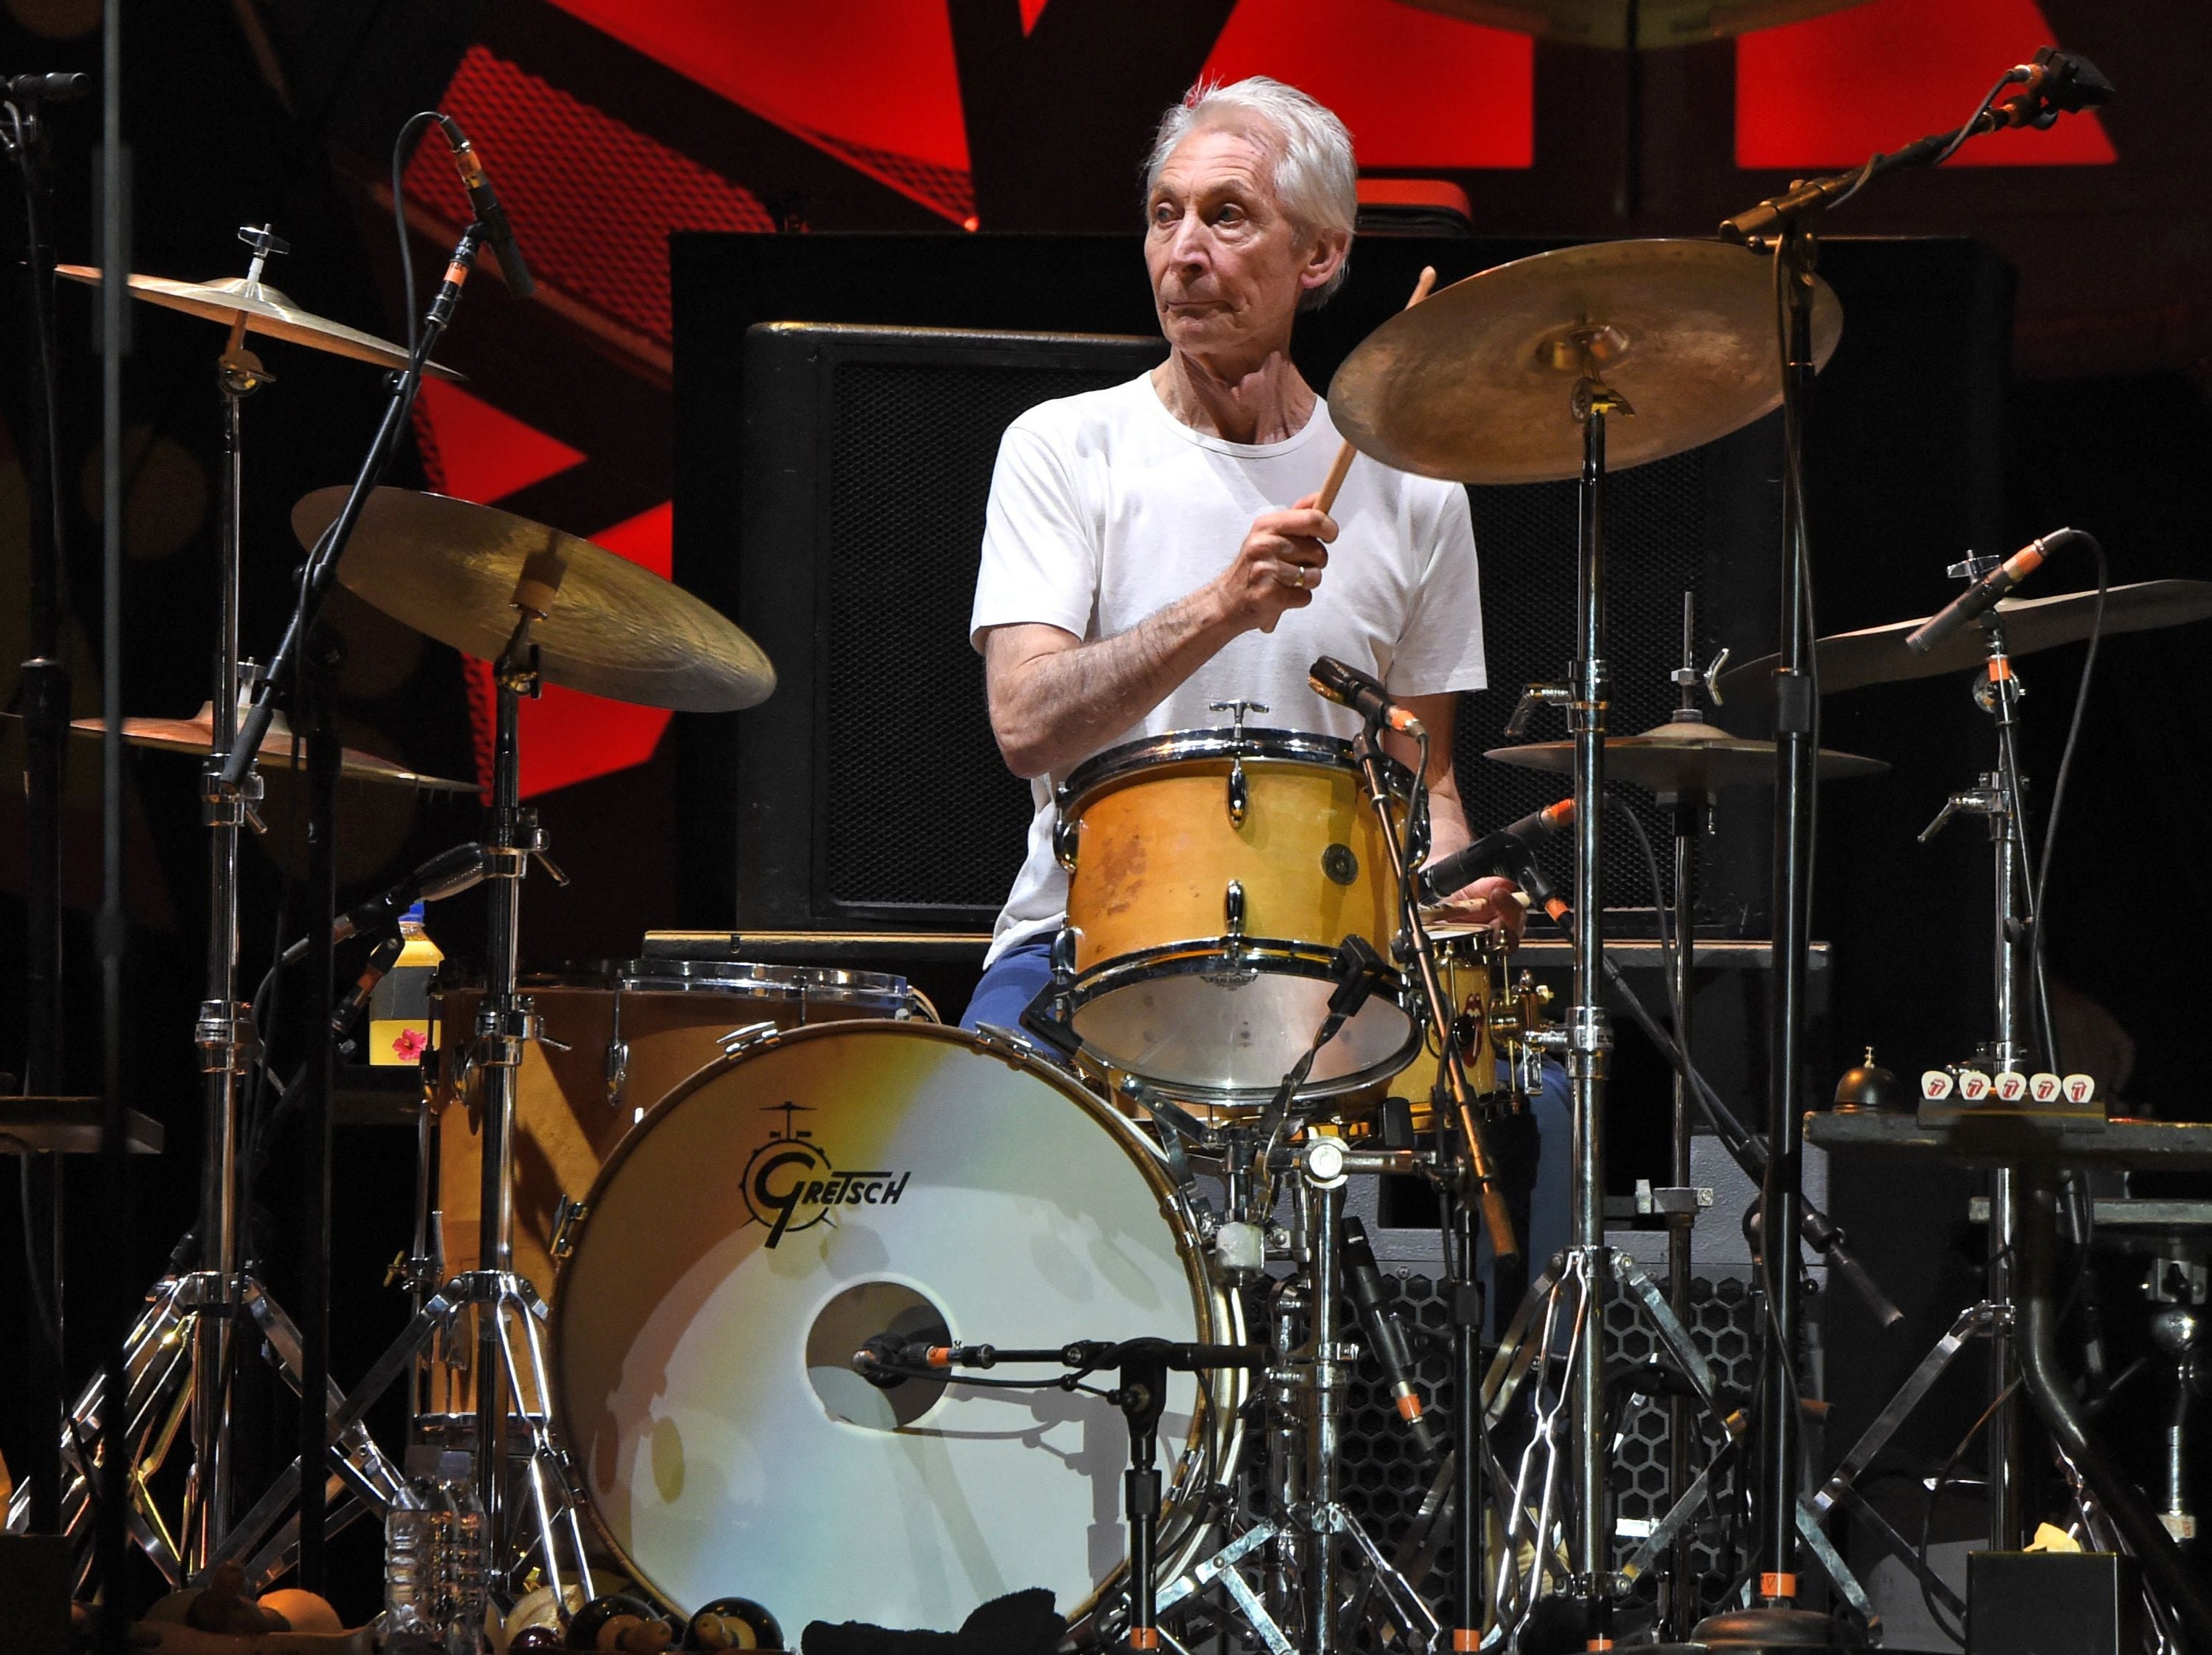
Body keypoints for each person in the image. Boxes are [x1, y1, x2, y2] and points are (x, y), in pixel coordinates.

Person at [959, 75, 1568, 1284]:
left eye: (1228, 217)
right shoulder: (1064, 447)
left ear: (1322, 252)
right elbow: (1025, 723)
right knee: (963, 1140)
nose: (1183, 252)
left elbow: (1424, 771)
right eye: (1165, 215)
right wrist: (1220, 608)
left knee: (1535, 1113)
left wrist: (1448, 897)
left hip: (1332, 949)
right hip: (1087, 938)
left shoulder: (1415, 488)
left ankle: (1494, 1460)